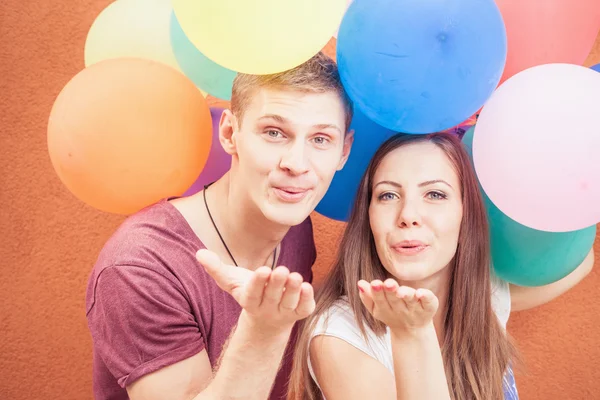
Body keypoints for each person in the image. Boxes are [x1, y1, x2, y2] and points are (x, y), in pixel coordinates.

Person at [85, 51, 355, 400]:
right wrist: (264, 328)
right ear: (230, 133)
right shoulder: (139, 266)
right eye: (274, 132)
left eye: (320, 139)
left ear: (344, 151)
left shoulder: (293, 225)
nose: (296, 164)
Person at [288, 132, 594, 400]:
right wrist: (413, 334)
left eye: (435, 194)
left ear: (467, 213)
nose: (408, 214)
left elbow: (579, 261)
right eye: (388, 195)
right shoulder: (340, 333)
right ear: (368, 217)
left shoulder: (484, 297)